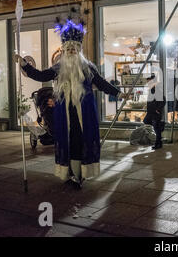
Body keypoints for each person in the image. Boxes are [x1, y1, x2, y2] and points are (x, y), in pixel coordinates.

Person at [14, 19, 120, 188]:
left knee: (81, 140)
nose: (71, 51)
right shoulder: (58, 68)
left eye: (74, 48)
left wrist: (118, 92)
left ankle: (79, 175)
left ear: (79, 50)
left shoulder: (88, 68)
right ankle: (70, 173)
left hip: (84, 112)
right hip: (64, 112)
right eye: (68, 49)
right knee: (66, 141)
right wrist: (25, 65)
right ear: (64, 50)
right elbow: (41, 76)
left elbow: (101, 84)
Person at [143, 74, 166, 149]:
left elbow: (163, 101)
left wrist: (158, 109)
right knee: (146, 121)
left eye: (149, 82)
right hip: (151, 112)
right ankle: (161, 126)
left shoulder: (157, 90)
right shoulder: (152, 90)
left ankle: (158, 144)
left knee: (156, 128)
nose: (148, 83)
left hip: (155, 113)